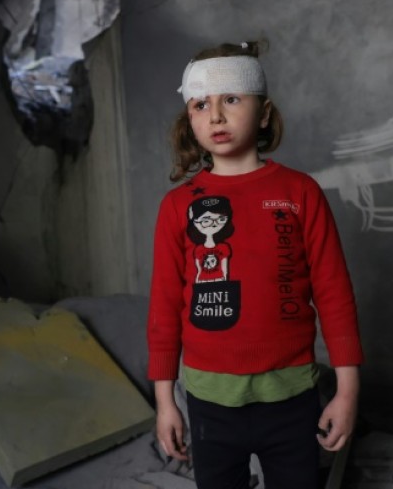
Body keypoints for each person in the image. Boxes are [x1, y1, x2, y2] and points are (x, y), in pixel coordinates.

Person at [146, 40, 364, 488]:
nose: (217, 116)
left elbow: (334, 294)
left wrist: (347, 391)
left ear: (263, 113)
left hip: (291, 395)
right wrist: (166, 401)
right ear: (190, 119)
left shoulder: (300, 193)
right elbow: (165, 308)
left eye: (231, 99)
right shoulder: (177, 207)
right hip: (209, 400)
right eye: (200, 104)